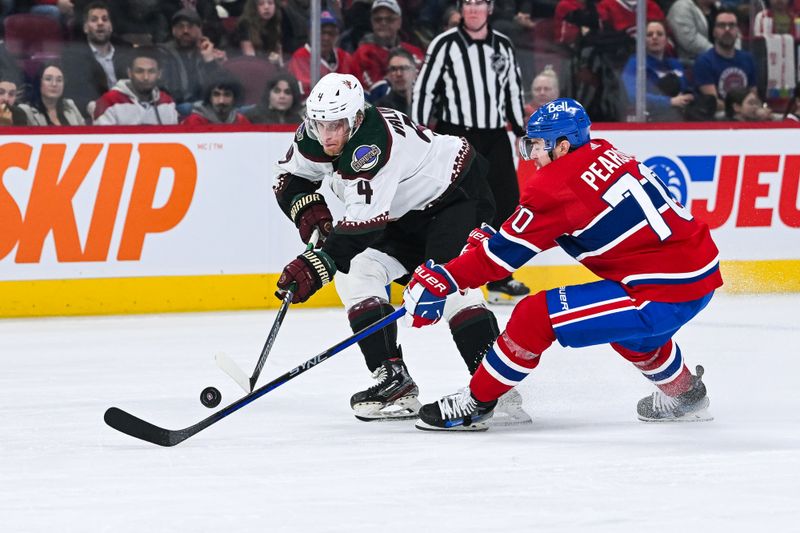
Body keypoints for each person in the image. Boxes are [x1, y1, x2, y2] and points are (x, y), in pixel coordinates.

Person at [403, 98, 722, 431]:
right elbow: (563, 217)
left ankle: (475, 403)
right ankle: (686, 394)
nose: (534, 154)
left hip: (661, 292)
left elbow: (500, 259)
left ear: (564, 145)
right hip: (698, 275)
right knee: (631, 335)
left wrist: (443, 279)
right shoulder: (603, 151)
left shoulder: (556, 185)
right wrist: (496, 242)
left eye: (539, 145)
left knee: (534, 316)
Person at [272, 73, 500, 422]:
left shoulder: (373, 146)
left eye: (336, 125)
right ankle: (393, 379)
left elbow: (364, 226)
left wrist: (318, 265)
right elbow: (290, 179)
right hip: (401, 212)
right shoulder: (314, 136)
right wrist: (309, 211)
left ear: (357, 118)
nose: (327, 135)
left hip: (454, 196)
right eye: (320, 124)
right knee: (356, 271)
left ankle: (495, 387)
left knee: (448, 284)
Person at [412, 0, 531, 305]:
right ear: (461, 9)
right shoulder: (445, 44)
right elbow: (425, 88)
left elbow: (513, 91)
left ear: (489, 8)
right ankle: (448, 273)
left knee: (506, 205)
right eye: (468, 3)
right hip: (459, 134)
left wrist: (521, 131)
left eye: (479, 3)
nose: (473, 9)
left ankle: (500, 280)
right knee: (460, 206)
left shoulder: (503, 45)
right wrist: (419, 132)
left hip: (495, 134)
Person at [61, 1, 131, 119]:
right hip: (95, 116)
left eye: (104, 19)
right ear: (85, 28)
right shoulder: (73, 57)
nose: (100, 23)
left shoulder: (126, 53)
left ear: (111, 26)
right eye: (94, 20)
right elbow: (75, 95)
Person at [621, 20, 694, 122]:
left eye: (659, 34)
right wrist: (669, 102)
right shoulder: (635, 64)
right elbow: (632, 96)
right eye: (649, 34)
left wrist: (689, 97)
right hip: (649, 117)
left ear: (666, 40)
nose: (654, 37)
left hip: (678, 114)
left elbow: (686, 89)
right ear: (643, 40)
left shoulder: (675, 64)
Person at [158, 8, 226, 115]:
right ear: (173, 30)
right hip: (176, 108)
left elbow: (220, 88)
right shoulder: (163, 52)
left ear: (200, 30)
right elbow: (165, 89)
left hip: (206, 108)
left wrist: (210, 60)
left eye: (190, 26)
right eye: (180, 26)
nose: (185, 31)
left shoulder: (206, 51)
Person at [93, 47, 179, 125]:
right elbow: (102, 139)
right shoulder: (109, 101)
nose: (146, 77)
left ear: (159, 74)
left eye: (151, 71)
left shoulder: (167, 102)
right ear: (129, 73)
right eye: (139, 71)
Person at [351, 0, 424, 92]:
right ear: (372, 22)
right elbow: (375, 93)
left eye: (389, 19)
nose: (383, 23)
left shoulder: (414, 51)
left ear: (399, 22)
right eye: (378, 19)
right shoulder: (362, 54)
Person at [693, 9, 757, 113]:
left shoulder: (748, 59)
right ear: (714, 32)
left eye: (731, 25)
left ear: (737, 31)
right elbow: (714, 103)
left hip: (746, 114)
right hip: (718, 118)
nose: (727, 30)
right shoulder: (704, 61)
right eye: (722, 25)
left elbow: (753, 95)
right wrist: (742, 109)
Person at [287, 10, 356, 98]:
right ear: (311, 34)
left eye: (331, 33)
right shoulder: (300, 57)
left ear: (337, 36)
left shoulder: (345, 57)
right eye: (321, 32)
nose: (326, 38)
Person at [18, 62, 86, 126]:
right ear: (39, 82)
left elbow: (85, 134)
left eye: (59, 80)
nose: (54, 84)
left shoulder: (70, 105)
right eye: (48, 79)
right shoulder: (26, 111)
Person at [182, 73, 250, 125]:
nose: (221, 101)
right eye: (216, 94)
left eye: (227, 95)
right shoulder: (195, 121)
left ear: (234, 98)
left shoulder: (241, 121)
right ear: (209, 97)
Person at [235, 0, 283, 65]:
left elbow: (278, 54)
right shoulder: (245, 24)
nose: (266, 7)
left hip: (268, 65)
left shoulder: (275, 23)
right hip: (248, 66)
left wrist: (278, 64)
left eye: (270, 3)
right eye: (261, 4)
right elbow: (250, 58)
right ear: (253, 7)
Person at [373, 47, 418, 115]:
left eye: (403, 68)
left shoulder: (425, 104)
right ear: (388, 75)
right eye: (393, 69)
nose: (399, 74)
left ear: (414, 72)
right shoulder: (380, 110)